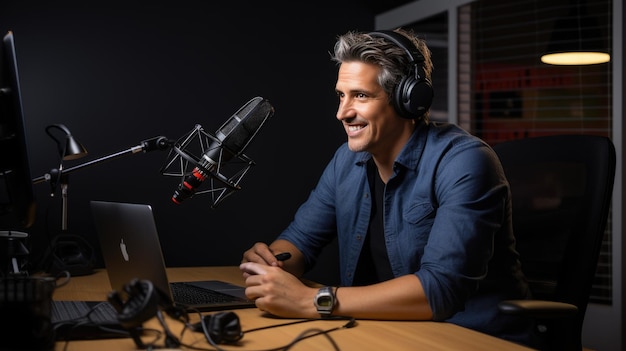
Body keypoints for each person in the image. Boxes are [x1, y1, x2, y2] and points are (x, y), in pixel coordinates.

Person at [240, 28, 536, 347]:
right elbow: (301, 239)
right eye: (341, 95)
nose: (342, 113)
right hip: (401, 334)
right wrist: (273, 264)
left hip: (478, 338)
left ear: (408, 100)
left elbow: (440, 290)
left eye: (361, 95)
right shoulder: (346, 162)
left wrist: (313, 300)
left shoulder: (464, 162)